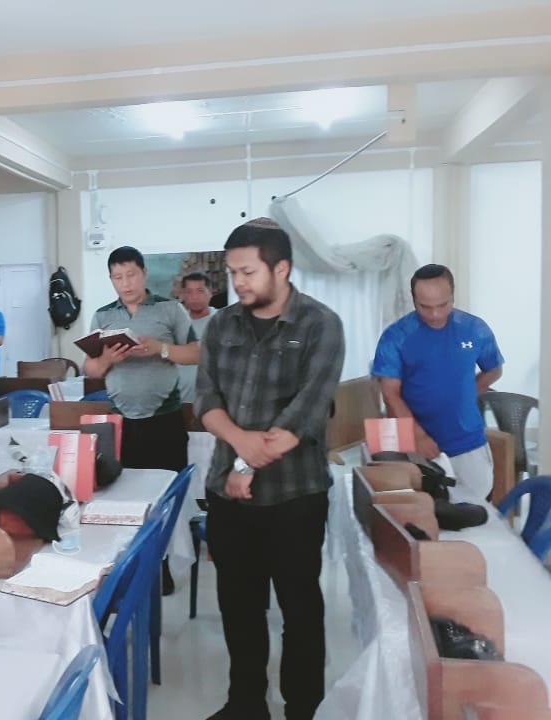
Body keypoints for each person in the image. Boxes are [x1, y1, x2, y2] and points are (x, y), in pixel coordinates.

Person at [196, 218, 344, 720]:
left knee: (299, 609)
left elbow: (307, 411)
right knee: (239, 607)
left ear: (282, 269)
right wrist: (239, 447)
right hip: (229, 495)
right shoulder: (221, 325)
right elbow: (206, 400)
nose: (238, 282)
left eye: (248, 272)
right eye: (232, 272)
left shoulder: (320, 325)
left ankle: (303, 708)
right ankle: (245, 704)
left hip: (295, 496)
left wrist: (246, 461)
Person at [372, 263, 504, 502]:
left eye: (443, 305)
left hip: (465, 436)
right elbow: (390, 394)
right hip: (406, 437)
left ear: (453, 295)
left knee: (473, 508)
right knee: (405, 513)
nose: (435, 315)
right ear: (413, 300)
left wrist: (466, 393)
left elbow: (494, 369)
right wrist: (416, 435)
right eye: (425, 307)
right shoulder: (395, 336)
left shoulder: (475, 329)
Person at [83, 245, 199, 472]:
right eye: (118, 277)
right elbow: (90, 368)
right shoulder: (102, 316)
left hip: (165, 417)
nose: (126, 283)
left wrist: (160, 348)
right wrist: (107, 360)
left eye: (131, 275)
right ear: (111, 279)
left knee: (167, 483)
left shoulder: (170, 308)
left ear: (144, 273)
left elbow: (196, 353)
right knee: (124, 487)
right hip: (120, 418)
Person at [177, 271, 217, 403]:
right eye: (189, 292)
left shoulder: (222, 321)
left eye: (200, 291)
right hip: (179, 400)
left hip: (212, 401)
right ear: (183, 295)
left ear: (211, 292)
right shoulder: (176, 323)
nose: (194, 297)